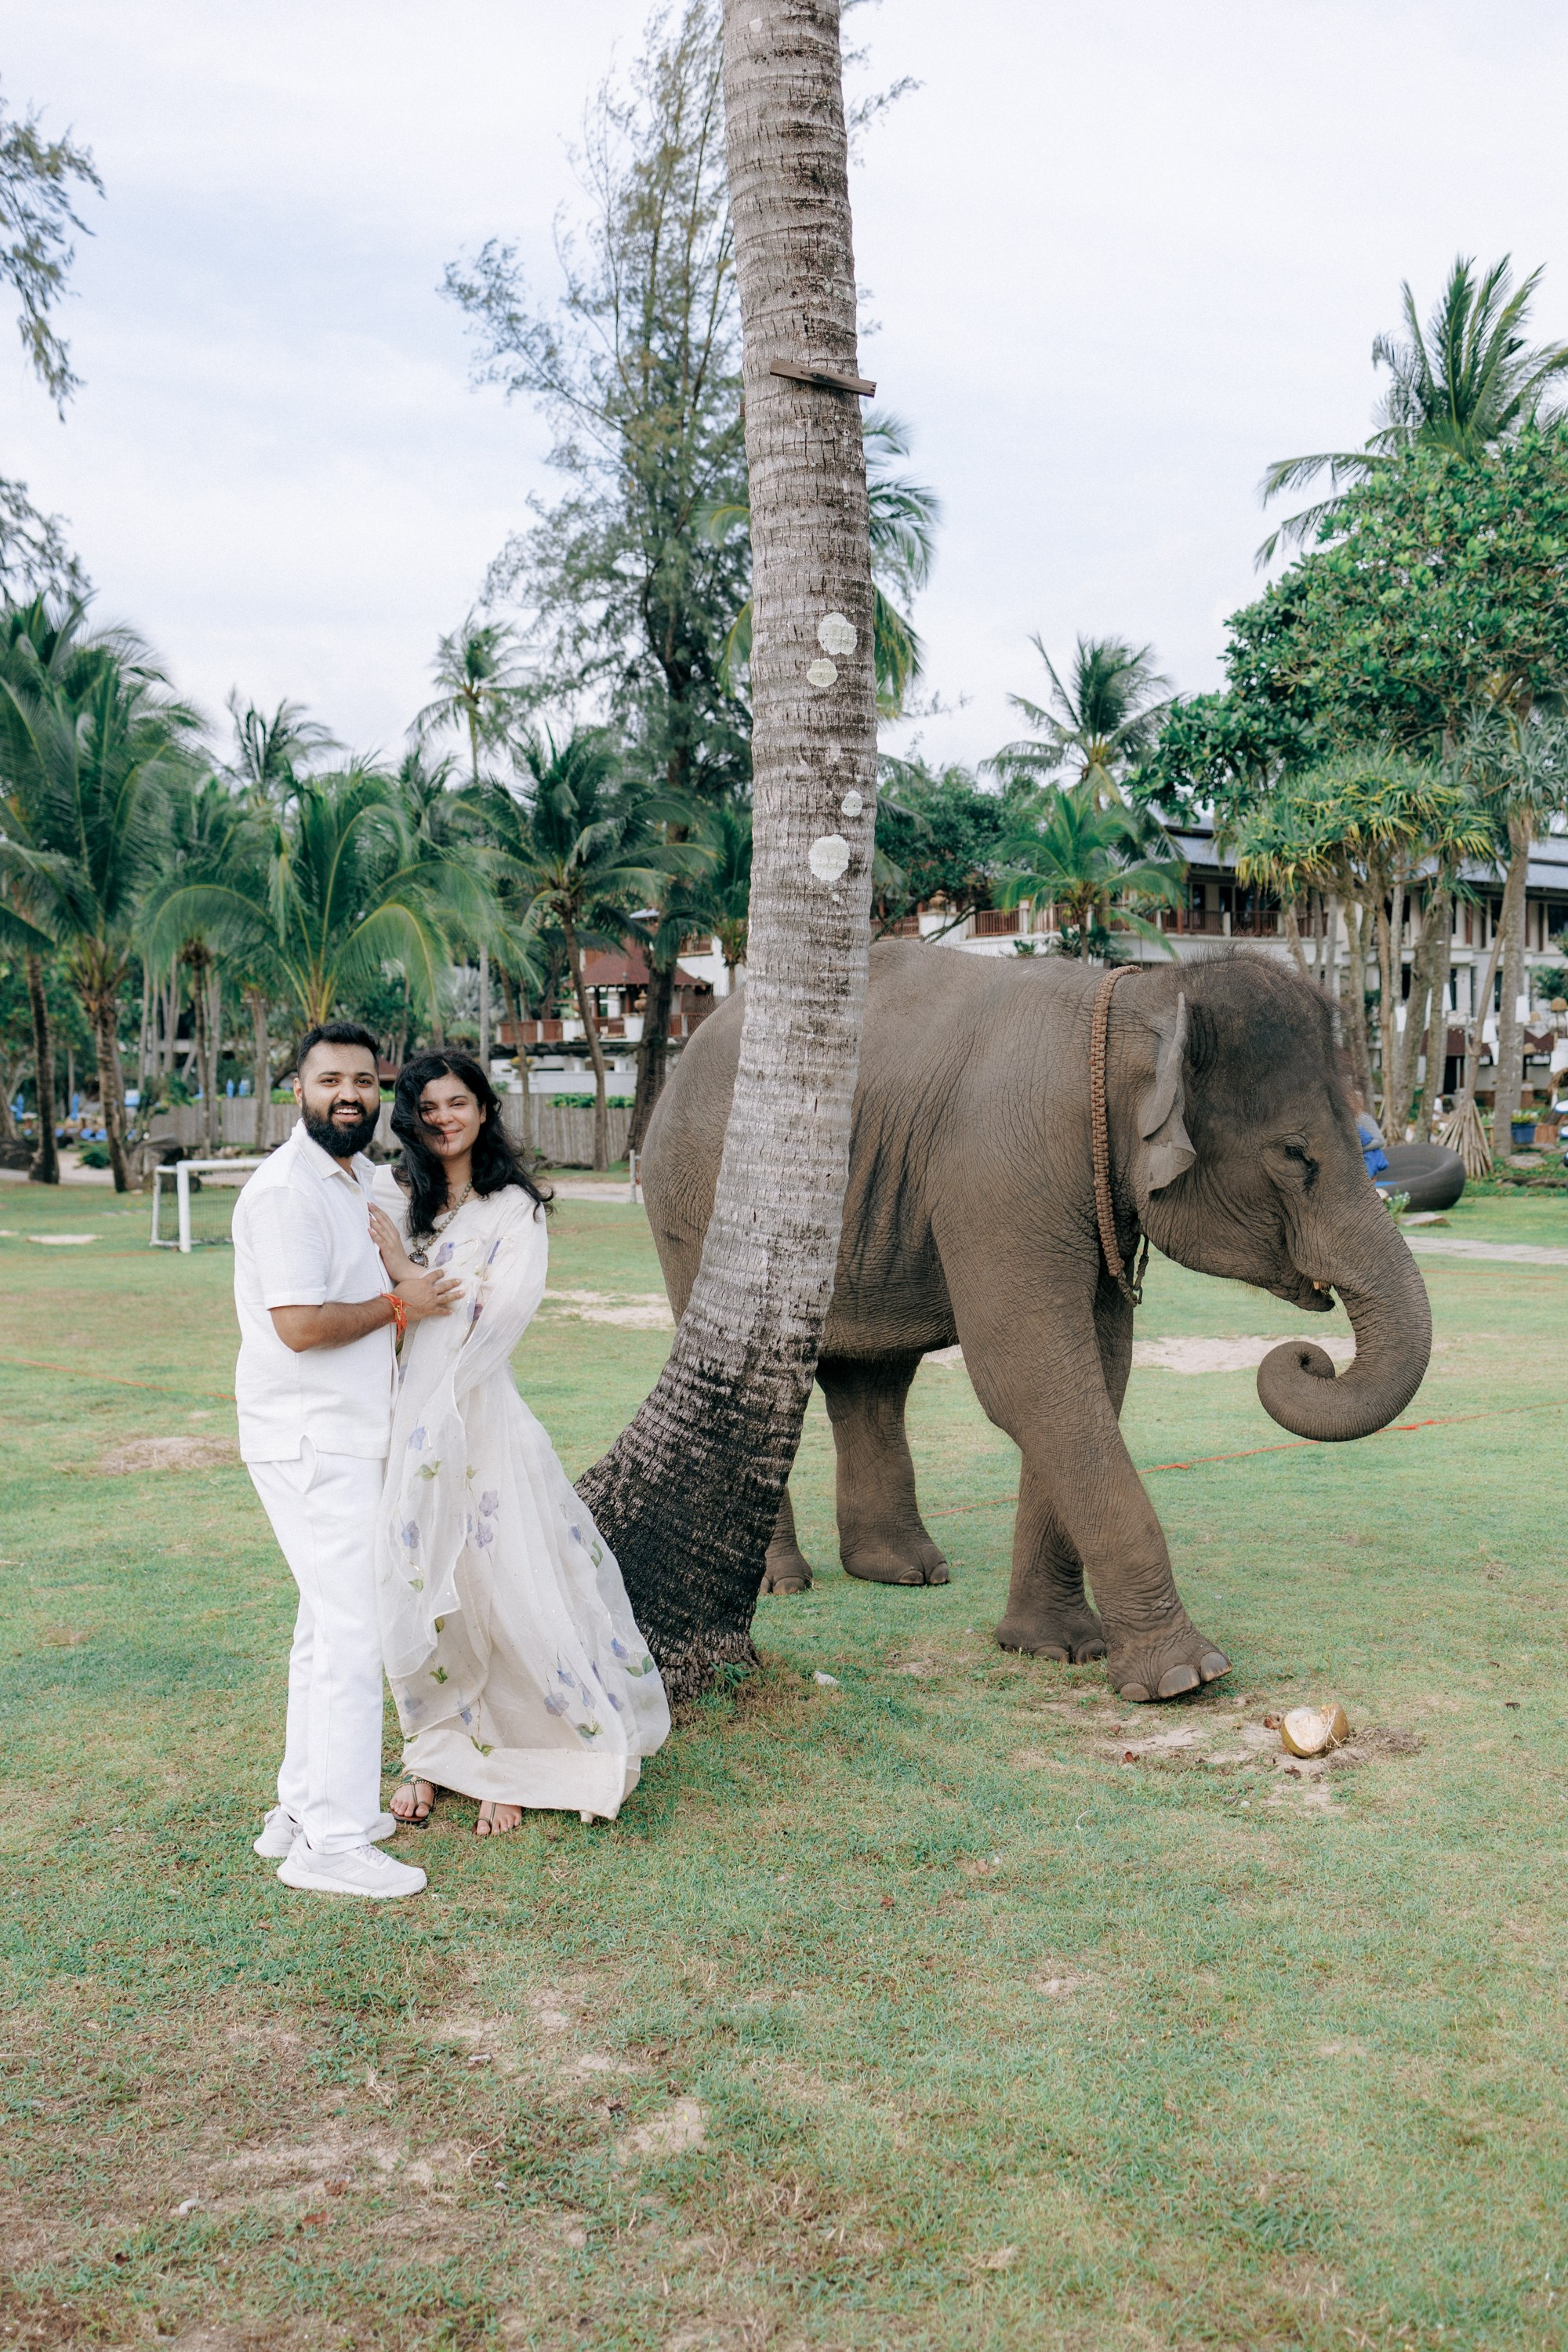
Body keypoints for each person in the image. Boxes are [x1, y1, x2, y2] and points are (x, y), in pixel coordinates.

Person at [368, 1051, 670, 1835]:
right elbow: (364, 1303)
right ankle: (430, 1752)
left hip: (476, 1414)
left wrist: (406, 1275)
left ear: (481, 1109)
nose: (442, 1118)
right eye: (427, 1106)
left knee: (498, 1579)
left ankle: (509, 1755)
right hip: (403, 1416)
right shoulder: (393, 1195)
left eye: (457, 1102)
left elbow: (497, 1316)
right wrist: (399, 1287)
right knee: (416, 1575)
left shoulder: (511, 1209)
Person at [232, 1023, 461, 1900]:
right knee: (352, 1629)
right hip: (309, 1437)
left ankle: (302, 1809)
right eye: (330, 1080)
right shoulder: (287, 1192)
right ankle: (328, 1842)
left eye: (364, 1080)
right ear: (297, 1089)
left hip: (349, 1432)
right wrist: (397, 1307)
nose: (350, 1095)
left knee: (323, 1628)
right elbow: (299, 1328)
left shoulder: (357, 1179)